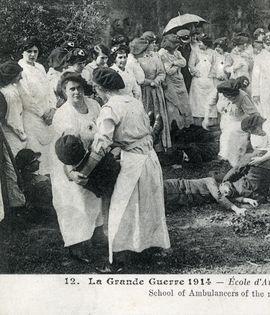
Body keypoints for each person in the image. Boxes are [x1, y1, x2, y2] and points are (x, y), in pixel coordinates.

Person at [90, 67, 170, 268]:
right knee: (148, 206)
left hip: (133, 162)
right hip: (150, 158)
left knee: (122, 209)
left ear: (101, 89)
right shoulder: (134, 102)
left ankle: (119, 259)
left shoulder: (109, 109)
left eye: (96, 88)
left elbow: (103, 141)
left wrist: (89, 160)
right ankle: (148, 249)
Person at [50, 72, 105, 263]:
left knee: (94, 198)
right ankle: (76, 245)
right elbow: (66, 148)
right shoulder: (63, 114)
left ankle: (97, 235)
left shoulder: (94, 105)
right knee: (74, 203)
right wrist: (71, 172)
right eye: (71, 89)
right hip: (67, 162)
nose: (76, 92)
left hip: (92, 158)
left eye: (79, 87)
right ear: (64, 92)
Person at [17, 36, 57, 175]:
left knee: (50, 152)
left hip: (48, 117)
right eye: (29, 51)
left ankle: (49, 181)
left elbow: (49, 89)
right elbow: (26, 97)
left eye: (35, 51)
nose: (33, 54)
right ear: (22, 52)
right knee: (36, 152)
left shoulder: (40, 67)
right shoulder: (21, 68)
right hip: (32, 118)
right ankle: (38, 182)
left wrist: (52, 109)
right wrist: (42, 113)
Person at [206, 79, 260, 166]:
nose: (231, 98)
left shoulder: (243, 96)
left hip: (240, 122)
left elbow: (254, 114)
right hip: (226, 121)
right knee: (225, 137)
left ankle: (234, 163)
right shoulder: (220, 92)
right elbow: (210, 104)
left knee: (232, 136)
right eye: (228, 96)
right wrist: (206, 118)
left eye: (233, 96)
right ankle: (224, 160)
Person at [131, 37, 171, 151]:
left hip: (155, 91)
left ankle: (160, 146)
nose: (152, 46)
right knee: (146, 116)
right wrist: (149, 82)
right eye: (149, 44)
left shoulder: (155, 56)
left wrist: (157, 81)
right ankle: (146, 146)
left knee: (158, 115)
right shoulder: (134, 59)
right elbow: (137, 78)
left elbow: (162, 72)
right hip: (143, 91)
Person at [0, 62, 26, 211]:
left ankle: (19, 201)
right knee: (13, 169)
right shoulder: (9, 93)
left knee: (15, 168)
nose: (21, 76)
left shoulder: (10, 90)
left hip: (13, 133)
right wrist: (21, 134)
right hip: (11, 135)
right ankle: (17, 204)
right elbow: (11, 119)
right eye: (18, 74)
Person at [158, 34, 194, 130]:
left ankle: (186, 125)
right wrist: (178, 64)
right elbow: (168, 71)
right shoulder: (162, 54)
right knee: (173, 103)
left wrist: (174, 63)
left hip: (179, 80)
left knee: (184, 101)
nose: (176, 48)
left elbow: (184, 62)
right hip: (170, 82)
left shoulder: (177, 52)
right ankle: (175, 125)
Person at [188, 34, 216, 126]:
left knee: (209, 99)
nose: (199, 44)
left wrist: (211, 74)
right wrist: (196, 73)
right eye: (198, 42)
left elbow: (214, 65)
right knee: (198, 100)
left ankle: (209, 121)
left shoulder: (212, 52)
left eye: (201, 42)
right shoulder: (195, 51)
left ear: (206, 43)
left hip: (209, 80)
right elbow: (191, 65)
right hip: (198, 80)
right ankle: (198, 122)